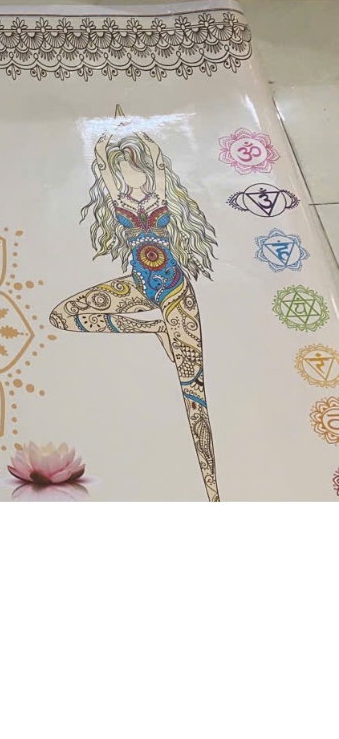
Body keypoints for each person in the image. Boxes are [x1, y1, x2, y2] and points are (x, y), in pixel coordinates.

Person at [48, 123, 220, 500]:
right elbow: (101, 165)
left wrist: (140, 134)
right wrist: (103, 143)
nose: (128, 175)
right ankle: (154, 329)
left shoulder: (158, 192)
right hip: (140, 285)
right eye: (122, 170)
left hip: (174, 290)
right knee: (64, 315)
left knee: (194, 394)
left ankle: (214, 495)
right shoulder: (118, 198)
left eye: (133, 168)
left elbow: (157, 161)